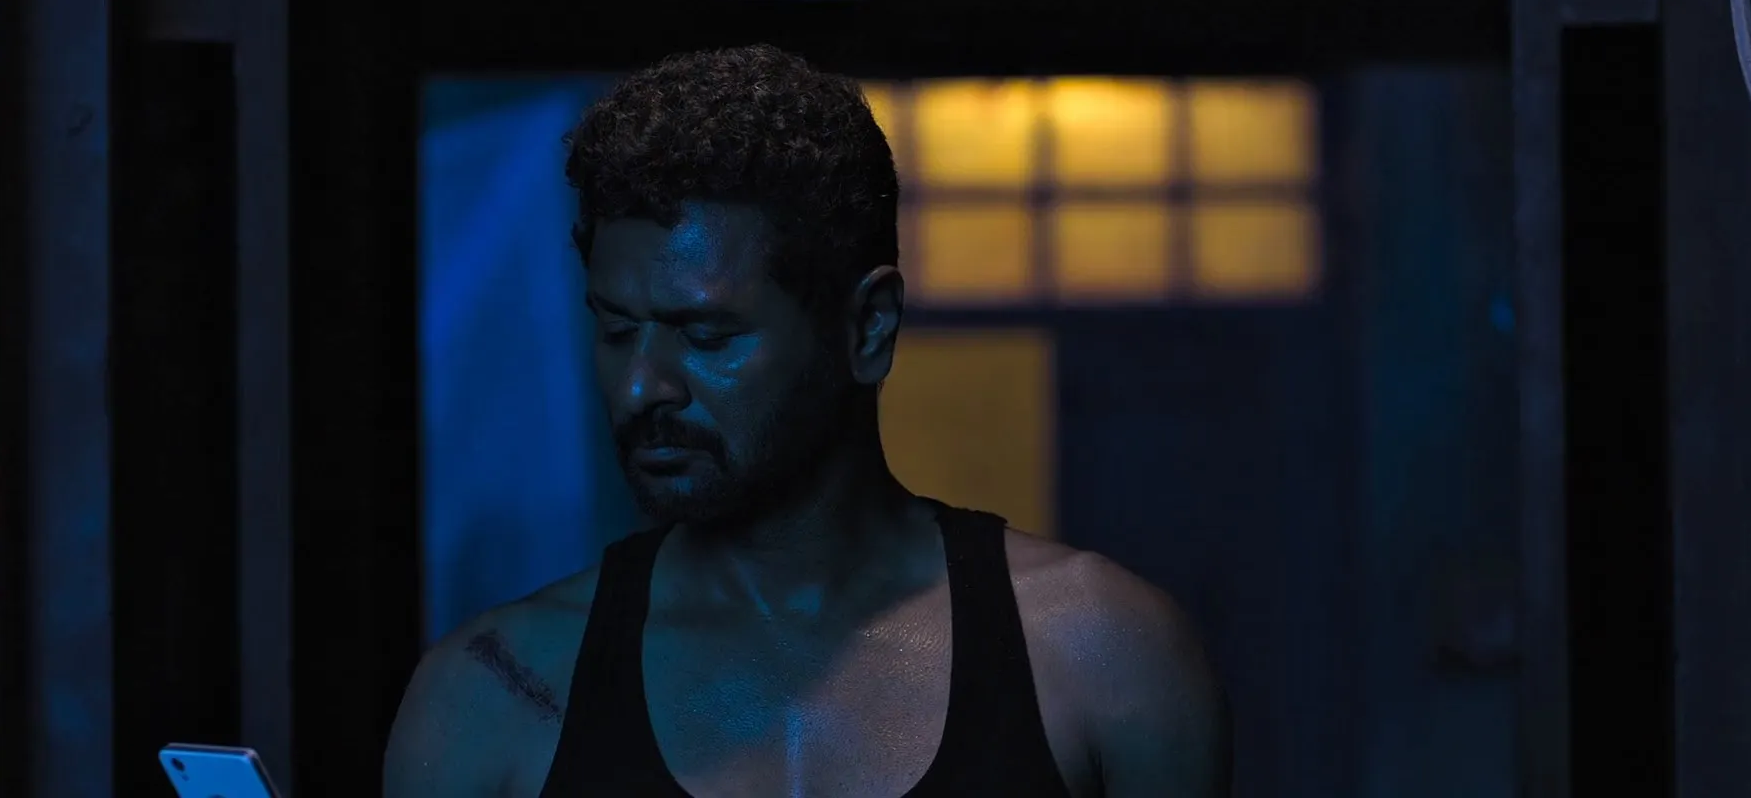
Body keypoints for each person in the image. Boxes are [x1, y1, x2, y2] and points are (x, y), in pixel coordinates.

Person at [384, 45, 1230, 797]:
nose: (641, 387)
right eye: (615, 330)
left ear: (867, 329)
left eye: (705, 335)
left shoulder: (1102, 660)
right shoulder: (491, 699)